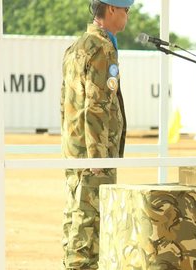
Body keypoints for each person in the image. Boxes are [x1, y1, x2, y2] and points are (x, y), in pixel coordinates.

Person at [60, 0, 133, 268]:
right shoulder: (103, 49)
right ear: (111, 9)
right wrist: (98, 157)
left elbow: (64, 103)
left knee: (75, 216)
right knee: (90, 223)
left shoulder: (77, 46)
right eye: (126, 10)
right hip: (94, 154)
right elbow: (97, 107)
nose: (127, 16)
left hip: (76, 147)